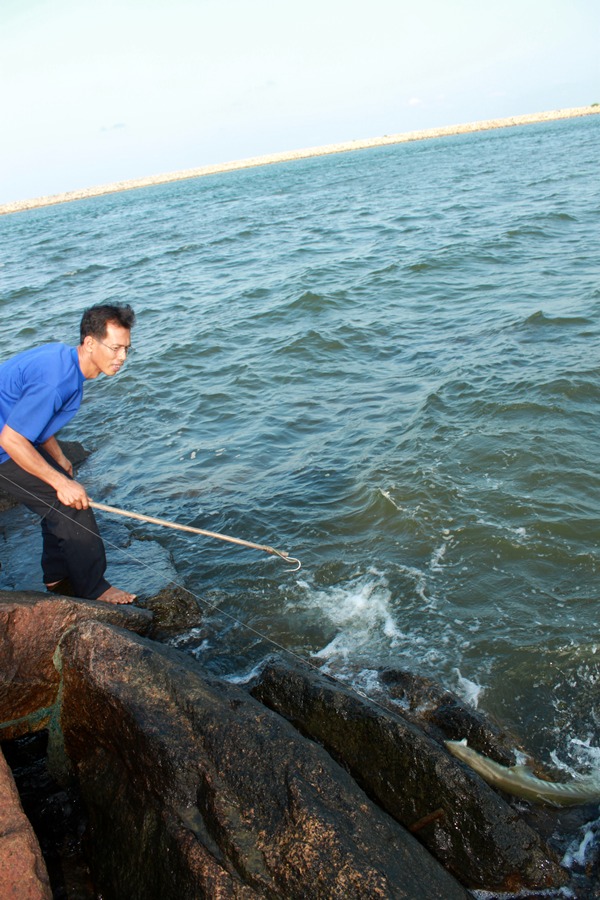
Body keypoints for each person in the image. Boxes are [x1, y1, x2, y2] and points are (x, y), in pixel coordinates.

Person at [0, 303, 137, 604]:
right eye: (115, 348)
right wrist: (61, 482)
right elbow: (12, 439)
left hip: (10, 432)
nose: (122, 357)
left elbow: (34, 418)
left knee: (60, 492)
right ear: (90, 343)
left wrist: (59, 457)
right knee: (72, 504)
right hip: (4, 444)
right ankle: (95, 589)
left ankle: (57, 575)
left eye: (127, 348)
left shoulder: (67, 363)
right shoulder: (57, 380)